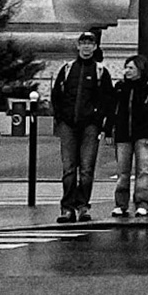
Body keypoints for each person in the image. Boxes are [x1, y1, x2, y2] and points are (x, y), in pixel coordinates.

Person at [49, 31, 112, 223]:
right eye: (83, 43)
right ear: (78, 46)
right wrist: (60, 118)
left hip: (90, 126)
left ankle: (83, 206)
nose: (86, 47)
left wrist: (99, 121)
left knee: (86, 169)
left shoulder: (101, 72)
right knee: (69, 169)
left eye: (90, 43)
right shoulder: (67, 69)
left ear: (95, 47)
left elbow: (107, 100)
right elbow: (56, 96)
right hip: (68, 124)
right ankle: (67, 207)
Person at [107, 55, 148, 217]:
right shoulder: (121, 87)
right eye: (127, 67)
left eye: (131, 68)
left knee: (143, 170)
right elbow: (112, 111)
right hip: (123, 133)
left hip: (143, 134)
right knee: (123, 171)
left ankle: (142, 203)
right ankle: (120, 204)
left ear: (140, 69)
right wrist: (109, 130)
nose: (127, 71)